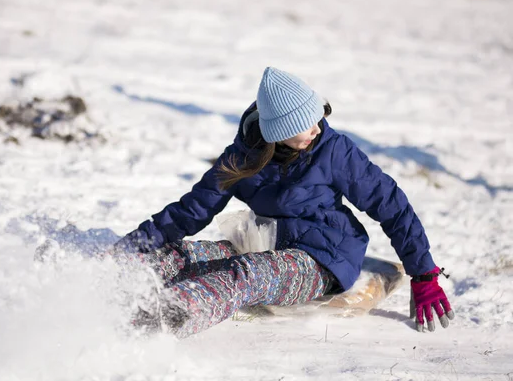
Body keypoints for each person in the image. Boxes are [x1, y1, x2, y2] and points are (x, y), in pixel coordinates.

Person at [112, 67, 455, 337]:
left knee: (246, 275)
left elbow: (390, 203)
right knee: (182, 256)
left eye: (318, 117)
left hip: (324, 258)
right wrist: (127, 250)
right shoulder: (241, 159)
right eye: (307, 124)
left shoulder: (334, 151)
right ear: (277, 131)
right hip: (264, 243)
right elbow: (192, 210)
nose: (318, 128)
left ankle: (168, 317)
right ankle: (113, 283)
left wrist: (424, 274)